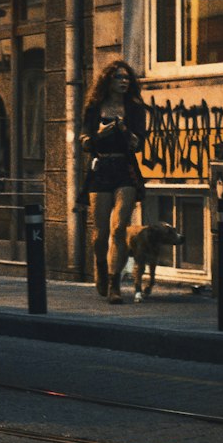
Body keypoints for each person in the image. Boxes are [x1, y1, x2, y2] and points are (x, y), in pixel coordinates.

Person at [79, 60, 146, 304]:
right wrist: (99, 134)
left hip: (125, 168)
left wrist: (126, 132)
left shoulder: (135, 108)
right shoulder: (95, 107)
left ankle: (114, 283)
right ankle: (100, 264)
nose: (124, 81)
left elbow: (139, 144)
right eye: (119, 77)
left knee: (119, 229)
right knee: (100, 234)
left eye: (127, 77)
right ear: (108, 80)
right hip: (101, 168)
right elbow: (85, 141)